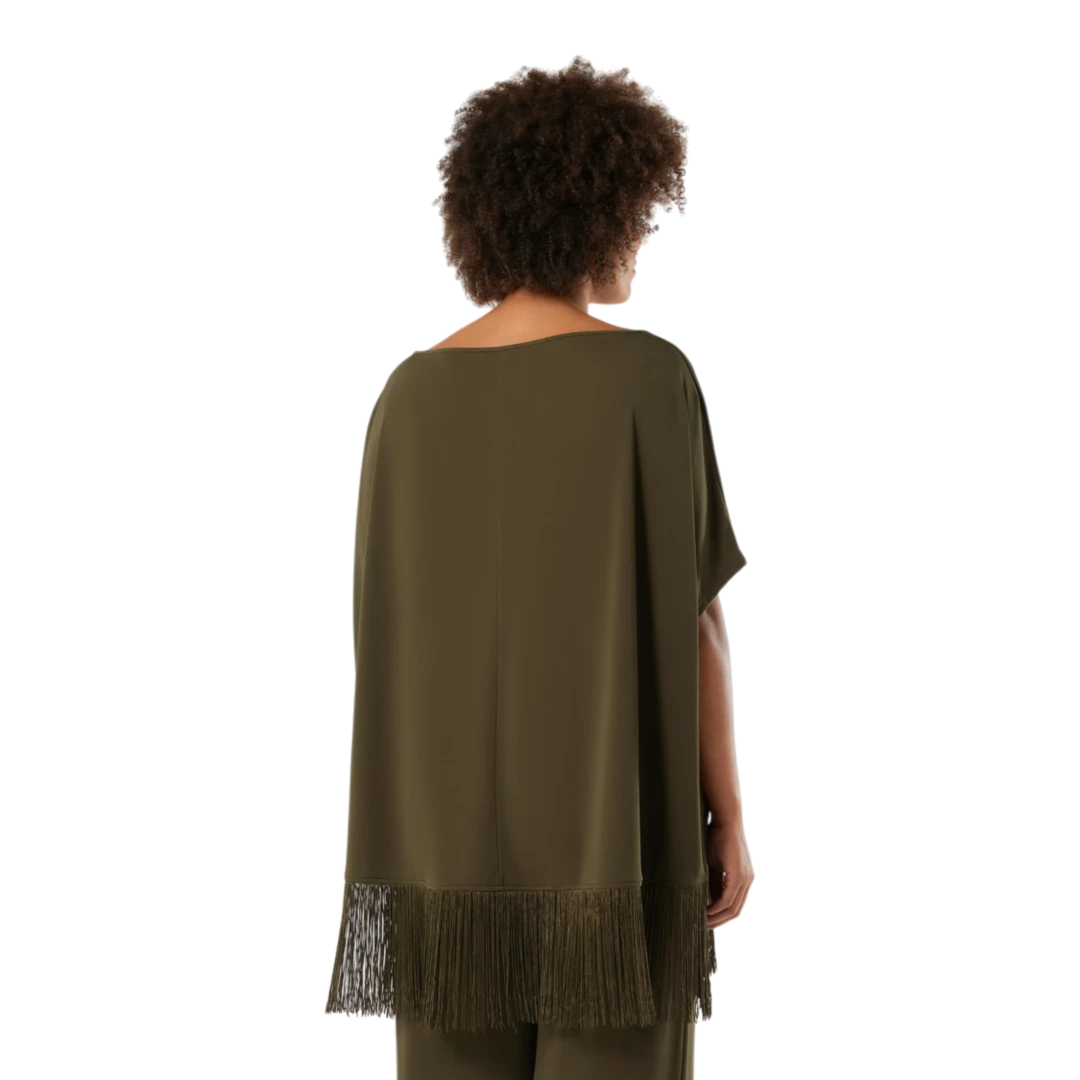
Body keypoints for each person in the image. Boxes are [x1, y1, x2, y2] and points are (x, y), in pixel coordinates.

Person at [326, 54, 755, 1080]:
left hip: (441, 874)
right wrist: (729, 821)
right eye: (644, 223)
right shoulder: (648, 380)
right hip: (614, 857)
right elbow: (696, 621)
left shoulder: (406, 400)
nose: (646, 246)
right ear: (602, 214)